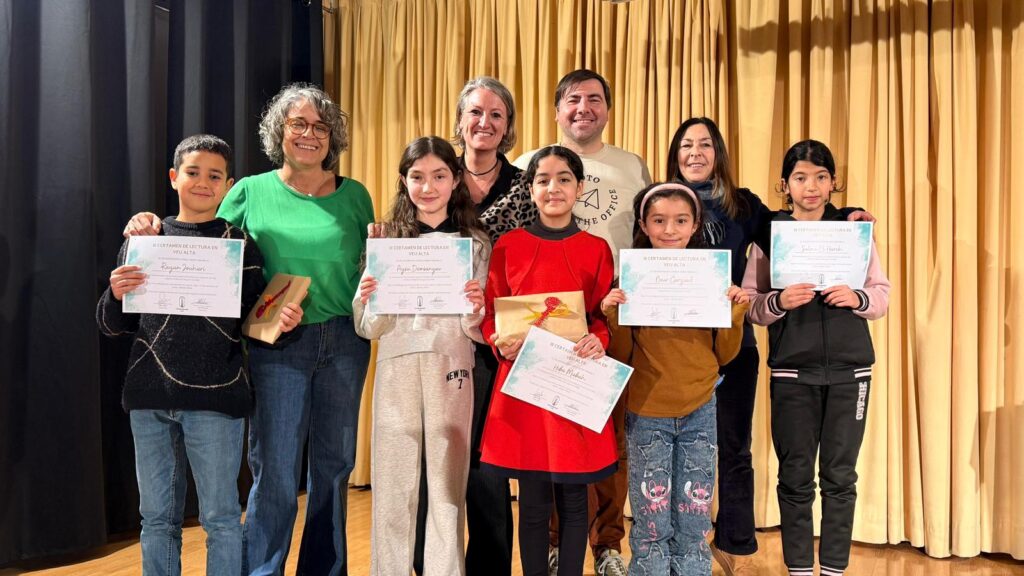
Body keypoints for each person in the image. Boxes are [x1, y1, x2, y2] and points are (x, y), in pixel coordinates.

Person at [122, 84, 374, 576]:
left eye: (320, 126)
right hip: (275, 347)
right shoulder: (249, 191)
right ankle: (262, 570)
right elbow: (201, 238)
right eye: (297, 123)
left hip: (345, 341)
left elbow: (370, 262)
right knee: (275, 467)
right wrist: (148, 225)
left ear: (333, 137)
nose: (309, 134)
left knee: (335, 465)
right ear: (279, 131)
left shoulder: (356, 195)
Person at [665, 117, 873, 575]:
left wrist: (848, 217)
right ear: (674, 154)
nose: (696, 153)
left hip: (735, 344)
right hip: (671, 347)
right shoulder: (657, 200)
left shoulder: (744, 205)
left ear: (719, 153)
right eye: (686, 145)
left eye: (706, 144)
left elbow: (793, 230)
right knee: (673, 448)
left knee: (735, 447)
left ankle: (734, 545)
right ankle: (675, 547)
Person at [97, 134, 302, 576]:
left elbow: (255, 322)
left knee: (222, 519)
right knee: (156, 520)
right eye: (193, 172)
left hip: (216, 400)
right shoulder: (145, 240)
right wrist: (114, 294)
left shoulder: (239, 245)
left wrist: (281, 322)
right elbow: (113, 325)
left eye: (214, 175)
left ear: (228, 185)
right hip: (150, 397)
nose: (203, 183)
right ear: (174, 177)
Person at [515, 69, 649, 576]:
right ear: (557, 110)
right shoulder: (527, 163)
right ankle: (554, 542)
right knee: (553, 436)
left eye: (595, 99)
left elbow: (654, 231)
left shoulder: (632, 165)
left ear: (608, 109)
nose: (584, 108)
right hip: (543, 329)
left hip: (609, 318)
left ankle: (608, 543)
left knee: (607, 437)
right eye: (573, 99)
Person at [742, 140, 890, 576]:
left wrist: (858, 298)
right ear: (785, 184)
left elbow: (881, 295)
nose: (811, 186)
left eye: (821, 177)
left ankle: (834, 569)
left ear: (833, 183)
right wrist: (778, 301)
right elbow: (750, 304)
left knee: (841, 477)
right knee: (795, 476)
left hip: (850, 372)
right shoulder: (771, 237)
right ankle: (800, 569)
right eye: (801, 177)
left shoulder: (854, 232)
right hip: (792, 372)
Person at [353, 136, 489, 575]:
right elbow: (368, 327)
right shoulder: (386, 240)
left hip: (452, 364)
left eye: (439, 176)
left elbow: (480, 330)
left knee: (448, 488)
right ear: (403, 181)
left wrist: (476, 308)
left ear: (456, 180)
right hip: (397, 366)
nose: (428, 187)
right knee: (393, 486)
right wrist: (369, 297)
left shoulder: (475, 243)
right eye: (417, 177)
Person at [409, 77, 528, 576]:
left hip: (496, 342)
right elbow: (402, 239)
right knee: (430, 462)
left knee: (486, 471)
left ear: (508, 125)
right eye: (475, 112)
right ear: (459, 120)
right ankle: (430, 565)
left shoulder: (527, 185)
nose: (485, 122)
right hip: (431, 341)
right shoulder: (435, 173)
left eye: (497, 114)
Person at [480, 146, 617, 576]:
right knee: (533, 501)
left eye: (563, 179)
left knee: (575, 499)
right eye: (542, 180)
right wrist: (498, 341)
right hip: (525, 386)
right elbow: (492, 313)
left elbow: (601, 318)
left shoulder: (596, 248)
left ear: (580, 187)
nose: (553, 188)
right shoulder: (509, 246)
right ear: (530, 188)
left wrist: (598, 339)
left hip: (574, 385)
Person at [601, 182, 748, 575]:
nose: (669, 230)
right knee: (651, 516)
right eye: (659, 221)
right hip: (647, 411)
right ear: (644, 225)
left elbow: (724, 355)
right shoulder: (630, 280)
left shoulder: (711, 278)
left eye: (681, 221)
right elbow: (621, 356)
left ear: (695, 224)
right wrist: (614, 315)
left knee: (694, 513)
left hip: (700, 407)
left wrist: (735, 315)